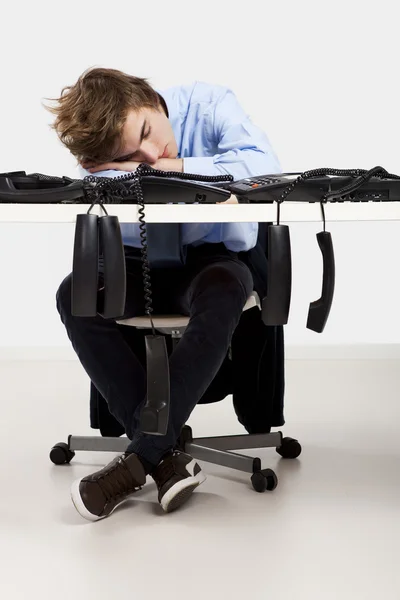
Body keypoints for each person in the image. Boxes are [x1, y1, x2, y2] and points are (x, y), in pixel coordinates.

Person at [46, 67, 281, 521]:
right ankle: (163, 456)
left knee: (225, 287)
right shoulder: (99, 154)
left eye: (149, 132)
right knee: (74, 293)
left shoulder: (209, 105)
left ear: (152, 100)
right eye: (130, 156)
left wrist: (164, 170)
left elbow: (264, 169)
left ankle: (143, 454)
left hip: (213, 260)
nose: (152, 152)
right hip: (140, 263)